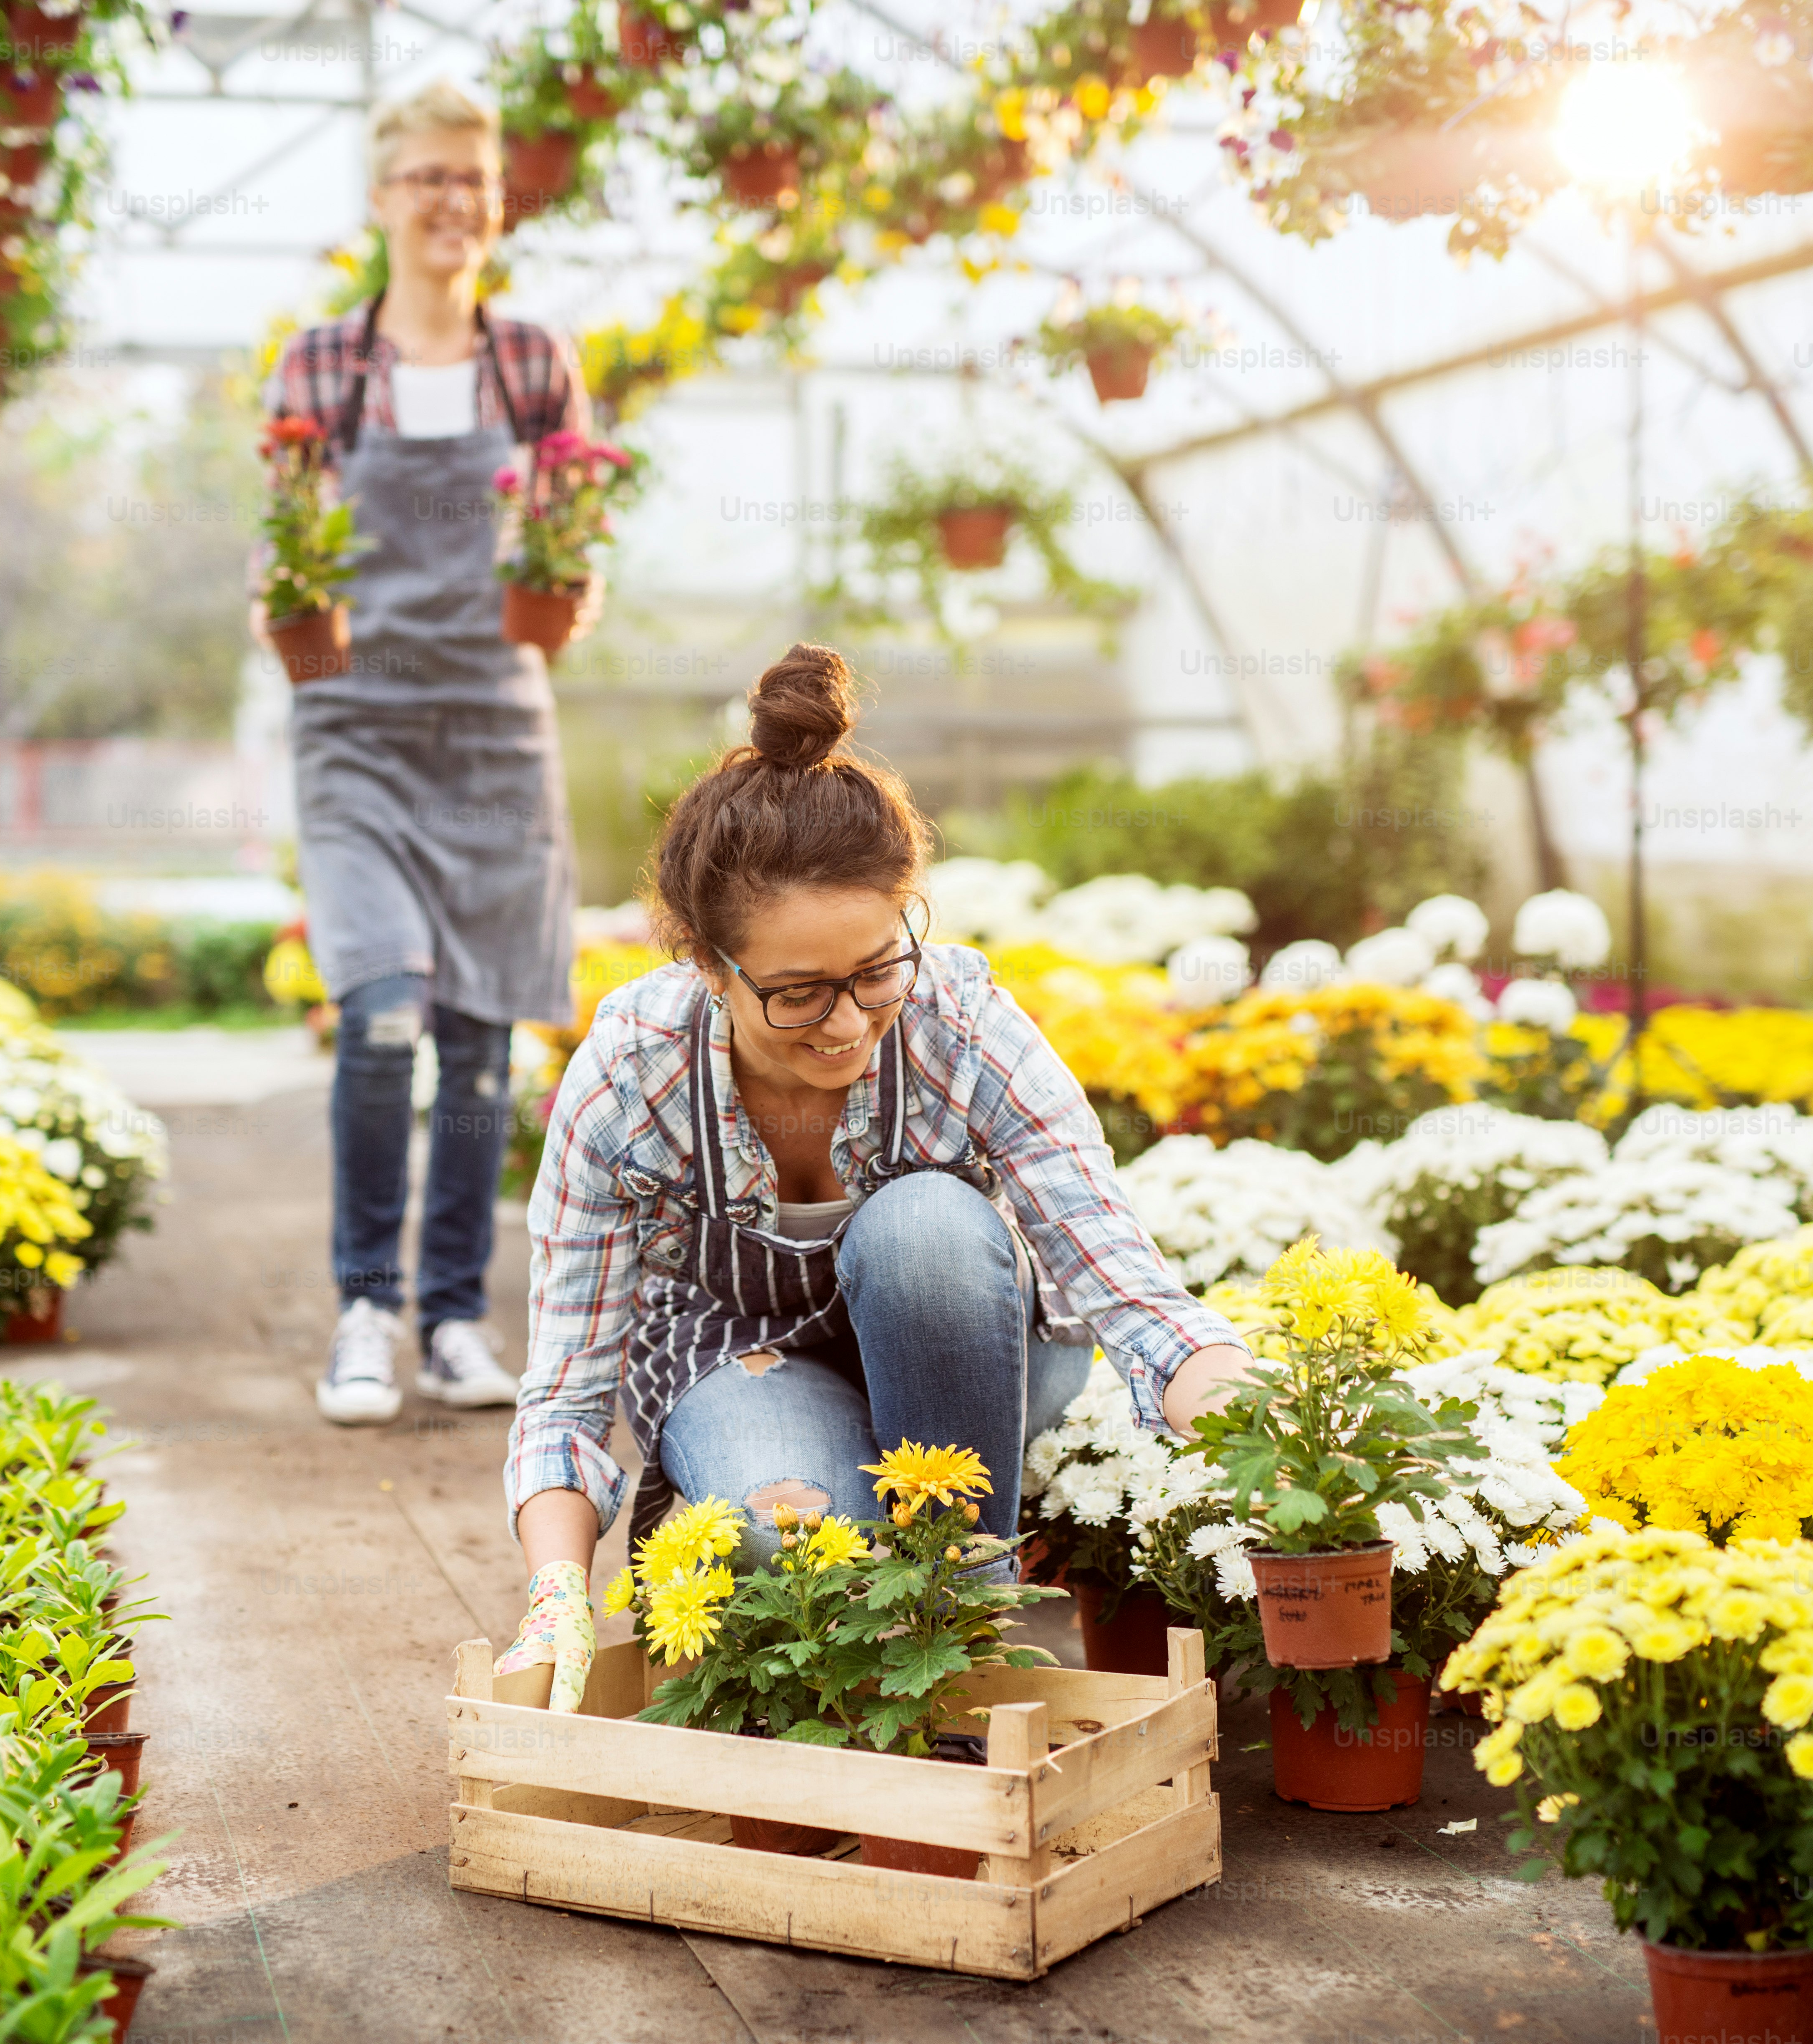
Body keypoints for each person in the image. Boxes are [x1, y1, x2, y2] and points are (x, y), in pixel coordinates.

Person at [488, 645, 1261, 1709]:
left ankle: (967, 1622)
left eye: (874, 969)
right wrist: (555, 1591)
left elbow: (1119, 1279)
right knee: (796, 1549)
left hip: (958, 1354)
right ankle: (877, 1610)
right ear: (710, 969)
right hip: (742, 1362)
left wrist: (1264, 1430)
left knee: (929, 1224)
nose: (848, 1023)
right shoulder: (632, 1077)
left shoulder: (959, 1022)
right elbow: (570, 1389)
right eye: (798, 991)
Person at [260, 79, 596, 1425]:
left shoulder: (535, 363)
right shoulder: (323, 365)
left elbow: (568, 548)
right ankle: (363, 1307)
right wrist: (277, 606)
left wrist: (567, 591)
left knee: (476, 1043)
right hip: (357, 724)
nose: (452, 200)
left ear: (498, 201)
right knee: (383, 1006)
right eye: (427, 178)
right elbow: (286, 547)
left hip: (498, 731)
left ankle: (456, 1317)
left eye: (474, 178)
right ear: (382, 199)